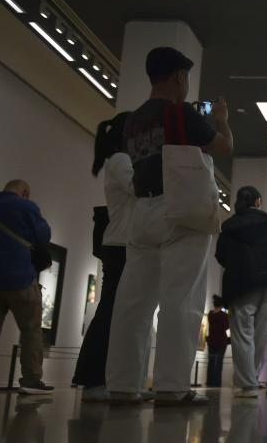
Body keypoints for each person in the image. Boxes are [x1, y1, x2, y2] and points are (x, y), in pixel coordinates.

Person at [105, 47, 234, 406]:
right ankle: (172, 386)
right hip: (182, 211)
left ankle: (122, 384)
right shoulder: (180, 114)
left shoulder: (132, 121)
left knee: (132, 302)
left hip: (142, 210)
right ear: (179, 76)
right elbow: (224, 147)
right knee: (181, 299)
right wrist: (221, 119)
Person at [72, 114, 134, 402]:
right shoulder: (121, 160)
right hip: (120, 245)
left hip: (123, 244)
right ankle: (92, 377)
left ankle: (105, 377)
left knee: (117, 312)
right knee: (111, 311)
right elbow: (138, 188)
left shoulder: (120, 160)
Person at [0, 179, 53, 395]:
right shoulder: (26, 207)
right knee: (31, 330)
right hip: (20, 277)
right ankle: (31, 380)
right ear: (24, 192)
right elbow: (43, 235)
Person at [215, 186, 267, 398]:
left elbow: (221, 256)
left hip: (240, 285)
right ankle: (250, 379)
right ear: (258, 201)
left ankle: (246, 384)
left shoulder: (229, 227)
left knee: (242, 335)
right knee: (260, 336)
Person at [206, 296, 230, 387]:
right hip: (221, 341)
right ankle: (216, 382)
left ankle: (209, 381)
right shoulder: (224, 315)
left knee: (211, 361)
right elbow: (226, 327)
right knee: (219, 361)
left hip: (211, 340)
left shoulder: (210, 314)